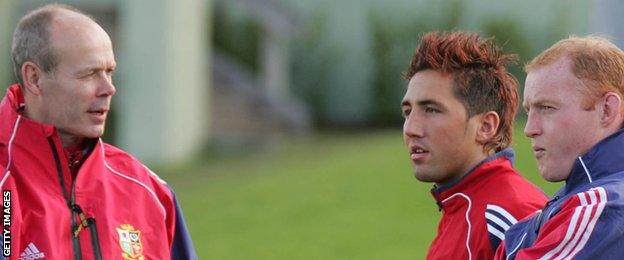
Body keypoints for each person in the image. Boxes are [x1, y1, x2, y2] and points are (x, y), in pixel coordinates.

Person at [0, 4, 197, 259]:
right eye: (89, 74)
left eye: (109, 72)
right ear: (35, 78)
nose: (108, 89)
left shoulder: (150, 192)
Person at [401, 31, 547, 259]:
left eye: (431, 110)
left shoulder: (514, 217)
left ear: (486, 126)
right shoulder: (459, 204)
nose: (411, 129)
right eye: (408, 112)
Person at [496, 36, 624, 259]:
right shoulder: (555, 214)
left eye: (547, 108)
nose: (529, 129)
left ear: (607, 110)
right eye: (528, 111)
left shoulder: (602, 208)